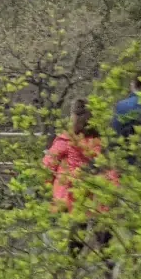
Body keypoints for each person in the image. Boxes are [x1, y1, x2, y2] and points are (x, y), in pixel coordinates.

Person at [45, 99, 115, 256]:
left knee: (74, 233)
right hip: (95, 195)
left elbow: (48, 165)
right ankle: (108, 267)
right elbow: (109, 168)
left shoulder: (66, 140)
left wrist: (47, 184)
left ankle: (70, 266)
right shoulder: (99, 141)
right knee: (101, 232)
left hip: (71, 195)